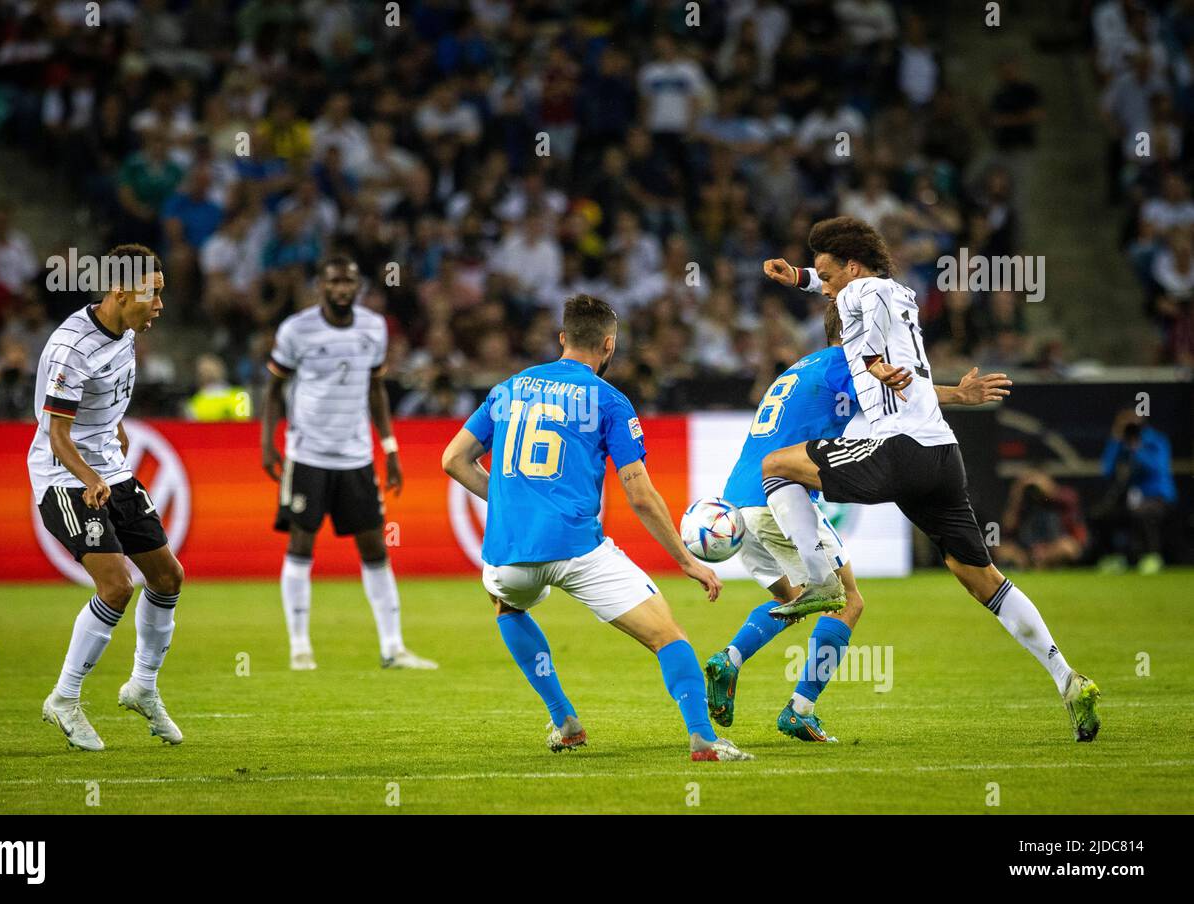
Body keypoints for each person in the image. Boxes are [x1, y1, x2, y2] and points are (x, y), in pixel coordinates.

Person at [758, 216, 1101, 742]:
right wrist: (799, 277)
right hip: (943, 455)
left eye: (826, 277)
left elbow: (859, 318)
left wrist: (870, 365)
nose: (824, 289)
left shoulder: (860, 296)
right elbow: (900, 363)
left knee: (776, 465)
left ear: (850, 267)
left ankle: (820, 580)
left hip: (898, 451)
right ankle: (1068, 678)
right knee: (982, 578)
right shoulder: (899, 293)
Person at [441, 294, 751, 761]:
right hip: (577, 550)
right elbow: (641, 495)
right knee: (668, 636)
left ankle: (564, 719)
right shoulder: (609, 400)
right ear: (609, 346)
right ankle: (703, 739)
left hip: (508, 553)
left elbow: (452, 460)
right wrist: (687, 561)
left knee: (507, 605)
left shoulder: (507, 389)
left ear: (563, 338)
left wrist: (509, 503)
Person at [705, 302, 1011, 741]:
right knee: (849, 602)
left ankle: (730, 660)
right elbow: (905, 392)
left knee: (797, 600)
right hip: (777, 498)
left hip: (739, 504)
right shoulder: (846, 362)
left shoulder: (801, 367)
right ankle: (799, 706)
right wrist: (961, 395)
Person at [30, 244, 185, 751]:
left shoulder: (127, 334)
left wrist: (114, 433)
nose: (160, 304)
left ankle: (143, 685)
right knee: (116, 586)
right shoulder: (71, 348)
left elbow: (105, 402)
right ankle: (65, 697)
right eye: (153, 295)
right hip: (65, 477)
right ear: (121, 292)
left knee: (167, 575)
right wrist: (90, 477)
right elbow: (56, 435)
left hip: (111, 471)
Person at [261, 255, 437, 671]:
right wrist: (268, 443)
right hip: (307, 455)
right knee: (302, 543)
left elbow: (375, 389)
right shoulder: (295, 330)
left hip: (357, 456)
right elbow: (273, 390)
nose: (342, 290)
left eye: (349, 283)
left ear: (358, 288)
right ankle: (300, 645)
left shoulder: (373, 328)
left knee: (375, 545)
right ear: (320, 286)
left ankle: (393, 647)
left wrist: (389, 448)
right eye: (334, 282)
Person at [1095, 409, 1177, 574]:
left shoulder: (1155, 440)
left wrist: (1137, 449)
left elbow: (1156, 468)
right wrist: (1116, 439)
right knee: (1102, 514)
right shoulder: (1120, 442)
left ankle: (1151, 556)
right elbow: (1106, 470)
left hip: (1157, 496)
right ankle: (1116, 557)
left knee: (1142, 513)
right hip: (1132, 498)